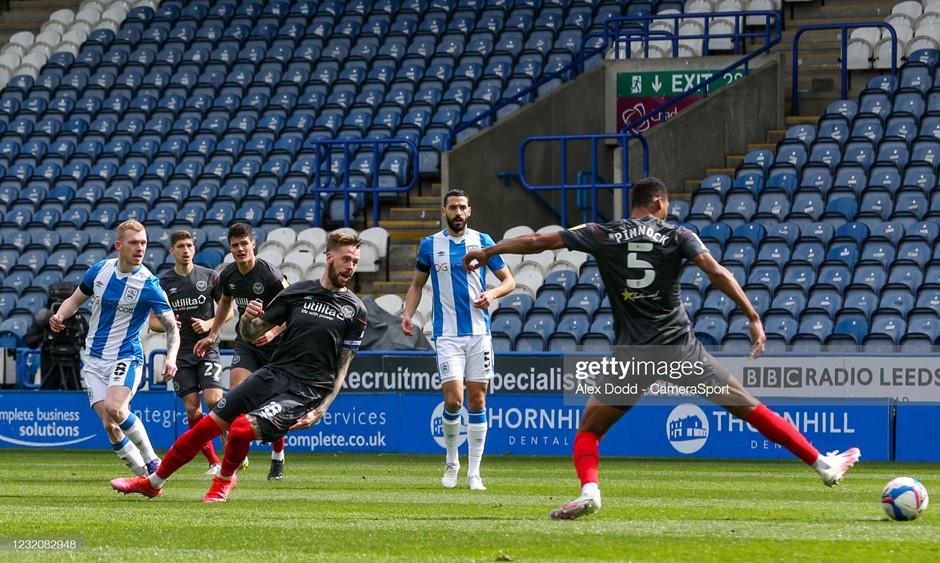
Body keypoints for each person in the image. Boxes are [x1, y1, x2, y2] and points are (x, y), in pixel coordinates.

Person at [463, 177, 861, 519]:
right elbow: (715, 271)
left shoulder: (603, 232)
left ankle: (590, 492)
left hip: (631, 356)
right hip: (678, 349)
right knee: (752, 409)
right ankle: (823, 465)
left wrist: (489, 251)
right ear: (658, 203)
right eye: (666, 205)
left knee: (589, 433)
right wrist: (752, 315)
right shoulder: (679, 234)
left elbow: (537, 240)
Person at [111, 232, 368, 502]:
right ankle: (153, 483)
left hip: (305, 389)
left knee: (242, 429)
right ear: (329, 257)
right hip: (273, 374)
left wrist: (322, 408)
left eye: (355, 261)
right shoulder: (298, 292)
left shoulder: (355, 310)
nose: (350, 267)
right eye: (346, 259)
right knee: (205, 427)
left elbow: (344, 364)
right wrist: (246, 319)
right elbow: (249, 333)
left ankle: (224, 479)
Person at [402, 189, 515, 491]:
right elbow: (416, 285)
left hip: (480, 334)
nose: (458, 212)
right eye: (452, 207)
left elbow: (509, 281)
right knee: (454, 400)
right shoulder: (430, 245)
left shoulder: (483, 241)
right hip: (447, 335)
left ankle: (474, 473)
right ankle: (452, 462)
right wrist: (408, 313)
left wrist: (491, 294)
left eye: (462, 207)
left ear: (469, 210)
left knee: (478, 400)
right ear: (444, 211)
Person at [49, 220, 180, 476]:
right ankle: (145, 479)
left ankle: (153, 460)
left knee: (116, 409)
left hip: (126, 356)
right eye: (133, 242)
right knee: (110, 425)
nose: (140, 248)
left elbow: (171, 327)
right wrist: (59, 316)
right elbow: (75, 300)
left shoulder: (149, 284)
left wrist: (171, 357)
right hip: (94, 360)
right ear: (119, 245)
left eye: (143, 243)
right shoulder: (100, 270)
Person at [193, 222, 290, 480]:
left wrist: (272, 332)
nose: (239, 249)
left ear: (253, 244)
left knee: (273, 405)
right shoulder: (229, 276)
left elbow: (295, 310)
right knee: (237, 395)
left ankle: (277, 457)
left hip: (276, 348)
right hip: (247, 342)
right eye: (234, 245)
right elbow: (225, 303)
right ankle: (237, 452)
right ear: (230, 247)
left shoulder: (270, 275)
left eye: (243, 243)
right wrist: (212, 334)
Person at [148, 230, 233, 476]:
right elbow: (153, 322)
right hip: (181, 353)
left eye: (189, 246)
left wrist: (209, 325)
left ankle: (233, 451)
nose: (186, 250)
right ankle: (214, 462)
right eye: (180, 246)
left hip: (207, 348)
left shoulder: (209, 276)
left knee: (214, 401)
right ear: (171, 251)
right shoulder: (163, 283)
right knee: (193, 409)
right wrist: (167, 322)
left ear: (194, 249)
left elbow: (228, 311)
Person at [24, 281, 88, 390]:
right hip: (50, 363)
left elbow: (88, 341)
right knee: (48, 399)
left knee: (73, 397)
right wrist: (45, 335)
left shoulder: (78, 320)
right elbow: (29, 341)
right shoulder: (45, 319)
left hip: (72, 364)